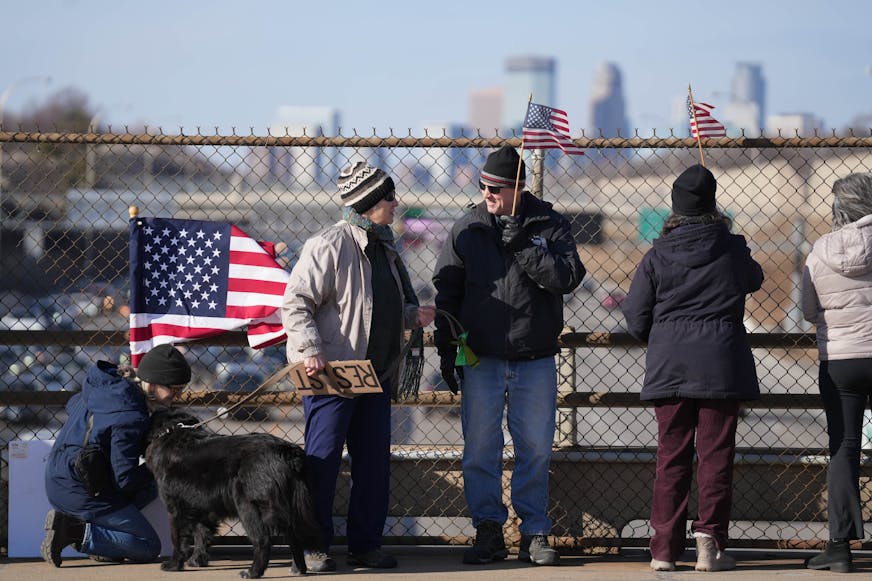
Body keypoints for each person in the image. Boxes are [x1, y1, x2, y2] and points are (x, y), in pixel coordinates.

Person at [432, 145, 585, 566]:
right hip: (480, 358)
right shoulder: (469, 227)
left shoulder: (549, 224)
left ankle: (534, 531)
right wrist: (448, 348)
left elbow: (567, 277)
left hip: (534, 357)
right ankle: (487, 529)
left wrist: (524, 245)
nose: (487, 194)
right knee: (480, 446)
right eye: (482, 186)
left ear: (518, 187)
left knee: (535, 447)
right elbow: (447, 291)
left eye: (495, 188)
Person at [282, 161, 436, 572]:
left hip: (375, 374)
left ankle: (365, 544)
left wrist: (410, 315)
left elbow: (374, 306)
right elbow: (296, 302)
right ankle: (313, 547)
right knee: (323, 459)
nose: (395, 202)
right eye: (389, 197)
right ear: (369, 202)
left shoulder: (383, 245)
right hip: (332, 371)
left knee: (373, 463)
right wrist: (310, 348)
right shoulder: (329, 245)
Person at [621, 164, 764, 572]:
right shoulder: (730, 248)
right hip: (721, 364)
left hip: (669, 366)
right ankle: (709, 544)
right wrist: (736, 245)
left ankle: (663, 549)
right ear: (713, 205)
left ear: (674, 207)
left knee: (672, 457)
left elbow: (635, 318)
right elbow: (754, 279)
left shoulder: (657, 254)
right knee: (716, 455)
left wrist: (664, 336)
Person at [41, 343, 192, 566]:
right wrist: (163, 464)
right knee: (148, 545)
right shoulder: (130, 415)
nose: (177, 396)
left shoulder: (107, 387)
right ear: (151, 383)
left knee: (151, 484)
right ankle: (75, 532)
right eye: (174, 389)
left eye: (181, 389)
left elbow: (72, 405)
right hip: (82, 491)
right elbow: (125, 479)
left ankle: (104, 542)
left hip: (59, 477)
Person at [801, 172, 872, 574]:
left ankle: (840, 547)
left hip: (842, 359)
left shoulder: (820, 249)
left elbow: (809, 310)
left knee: (844, 448)